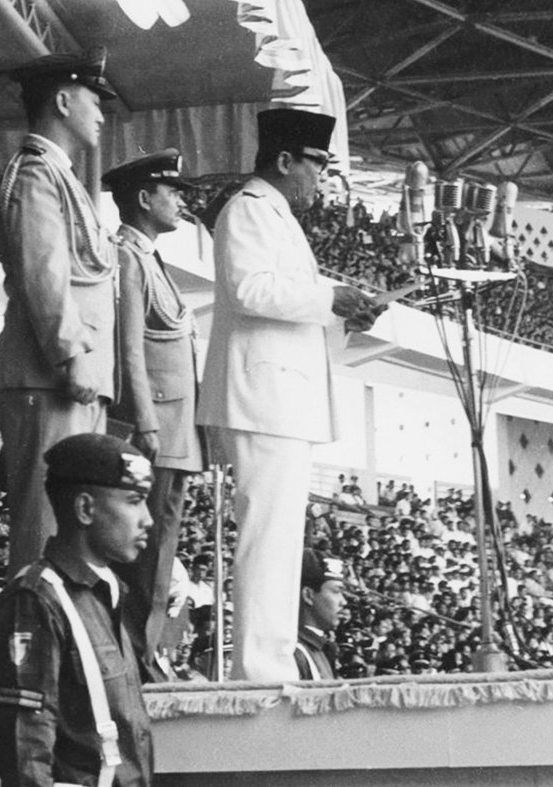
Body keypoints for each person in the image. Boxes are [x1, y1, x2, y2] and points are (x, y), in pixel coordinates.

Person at [195, 108, 382, 682]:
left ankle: (270, 661)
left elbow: (289, 306)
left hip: (280, 397)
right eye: (316, 164)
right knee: (267, 538)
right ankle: (258, 667)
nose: (319, 178)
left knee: (279, 540)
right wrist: (330, 298)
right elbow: (250, 290)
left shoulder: (276, 217)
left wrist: (343, 314)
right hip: (264, 396)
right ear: (284, 160)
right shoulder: (248, 209)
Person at [0, 47, 119, 574]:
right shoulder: (35, 174)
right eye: (94, 100)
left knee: (70, 532)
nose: (102, 114)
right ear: (63, 102)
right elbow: (44, 272)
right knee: (44, 527)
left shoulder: (60, 177)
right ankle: (32, 623)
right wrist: (70, 354)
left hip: (71, 376)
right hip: (52, 374)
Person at [0, 432, 154, 787]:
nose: (147, 519)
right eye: (134, 501)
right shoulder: (35, 600)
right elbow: (26, 754)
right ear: (85, 509)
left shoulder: (109, 592)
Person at [102, 149, 205, 679]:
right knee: (143, 553)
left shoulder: (150, 258)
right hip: (155, 428)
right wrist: (143, 419)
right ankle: (133, 659)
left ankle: (143, 654)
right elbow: (128, 349)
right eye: (172, 192)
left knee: (160, 552)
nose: (181, 201)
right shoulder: (127, 257)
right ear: (144, 199)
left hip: (175, 430)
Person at [295, 549, 347, 680]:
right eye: (336, 591)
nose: (343, 601)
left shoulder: (321, 647)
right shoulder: (293, 652)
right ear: (308, 595)